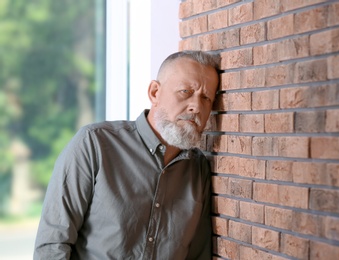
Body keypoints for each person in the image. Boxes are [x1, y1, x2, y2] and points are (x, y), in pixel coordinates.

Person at [33, 50, 221, 259]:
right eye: (185, 91)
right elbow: (52, 246)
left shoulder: (198, 170)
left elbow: (198, 255)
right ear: (154, 93)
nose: (196, 106)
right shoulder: (94, 144)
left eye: (206, 98)